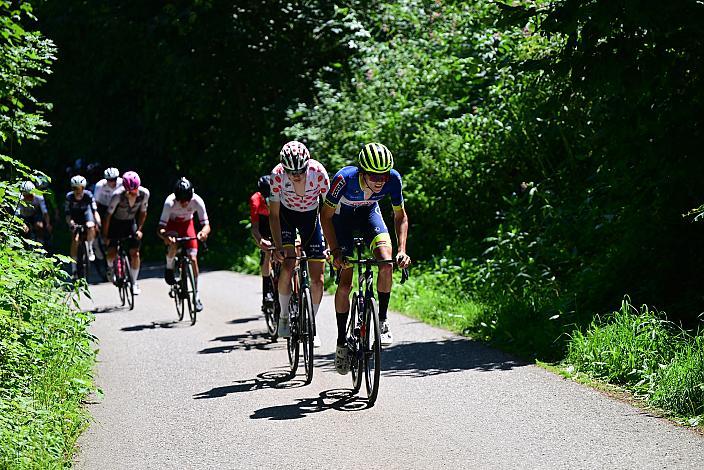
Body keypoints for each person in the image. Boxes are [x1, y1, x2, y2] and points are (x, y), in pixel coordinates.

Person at [320, 142, 411, 374]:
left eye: (384, 174)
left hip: (370, 215)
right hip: (342, 221)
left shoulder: (394, 179)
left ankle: (381, 319)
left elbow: (400, 216)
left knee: (387, 262)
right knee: (345, 280)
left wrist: (402, 249)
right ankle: (341, 342)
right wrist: (335, 250)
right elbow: (326, 216)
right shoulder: (344, 178)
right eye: (373, 175)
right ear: (362, 172)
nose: (380, 180)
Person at [269, 140, 330, 347]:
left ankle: (312, 324)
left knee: (318, 278)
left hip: (311, 219)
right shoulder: (277, 175)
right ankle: (284, 315)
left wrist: (332, 243)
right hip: (287, 218)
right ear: (284, 168)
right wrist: (278, 246)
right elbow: (274, 215)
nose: (296, 175)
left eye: (300, 170)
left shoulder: (318, 172)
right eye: (291, 171)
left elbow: (330, 211)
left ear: (307, 164)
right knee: (287, 264)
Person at [157, 177, 210, 312]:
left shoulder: (197, 200)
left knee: (193, 258)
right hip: (173, 226)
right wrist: (166, 236)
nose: (184, 203)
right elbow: (160, 228)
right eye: (181, 200)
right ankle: (169, 268)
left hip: (187, 225)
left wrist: (203, 233)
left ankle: (196, 295)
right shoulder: (169, 202)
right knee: (173, 245)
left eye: (187, 199)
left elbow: (206, 225)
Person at [102, 171, 149, 295]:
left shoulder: (144, 194)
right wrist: (105, 236)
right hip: (116, 223)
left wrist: (139, 229)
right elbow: (107, 217)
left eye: (135, 189)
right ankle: (110, 267)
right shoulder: (117, 195)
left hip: (130, 223)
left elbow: (143, 213)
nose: (132, 192)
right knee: (112, 251)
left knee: (135, 253)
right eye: (129, 190)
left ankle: (134, 282)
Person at [65, 175, 100, 275]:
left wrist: (98, 222)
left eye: (80, 188)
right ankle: (74, 268)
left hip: (86, 215)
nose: (78, 190)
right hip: (75, 217)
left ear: (83, 188)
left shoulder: (88, 195)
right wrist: (71, 223)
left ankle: (90, 248)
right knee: (75, 240)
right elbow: (67, 214)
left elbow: (94, 211)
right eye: (75, 188)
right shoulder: (69, 197)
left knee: (91, 226)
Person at [250, 175, 275, 311]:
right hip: (263, 227)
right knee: (267, 254)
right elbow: (254, 227)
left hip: (277, 224)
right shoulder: (255, 200)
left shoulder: (279, 195)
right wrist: (261, 240)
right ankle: (267, 294)